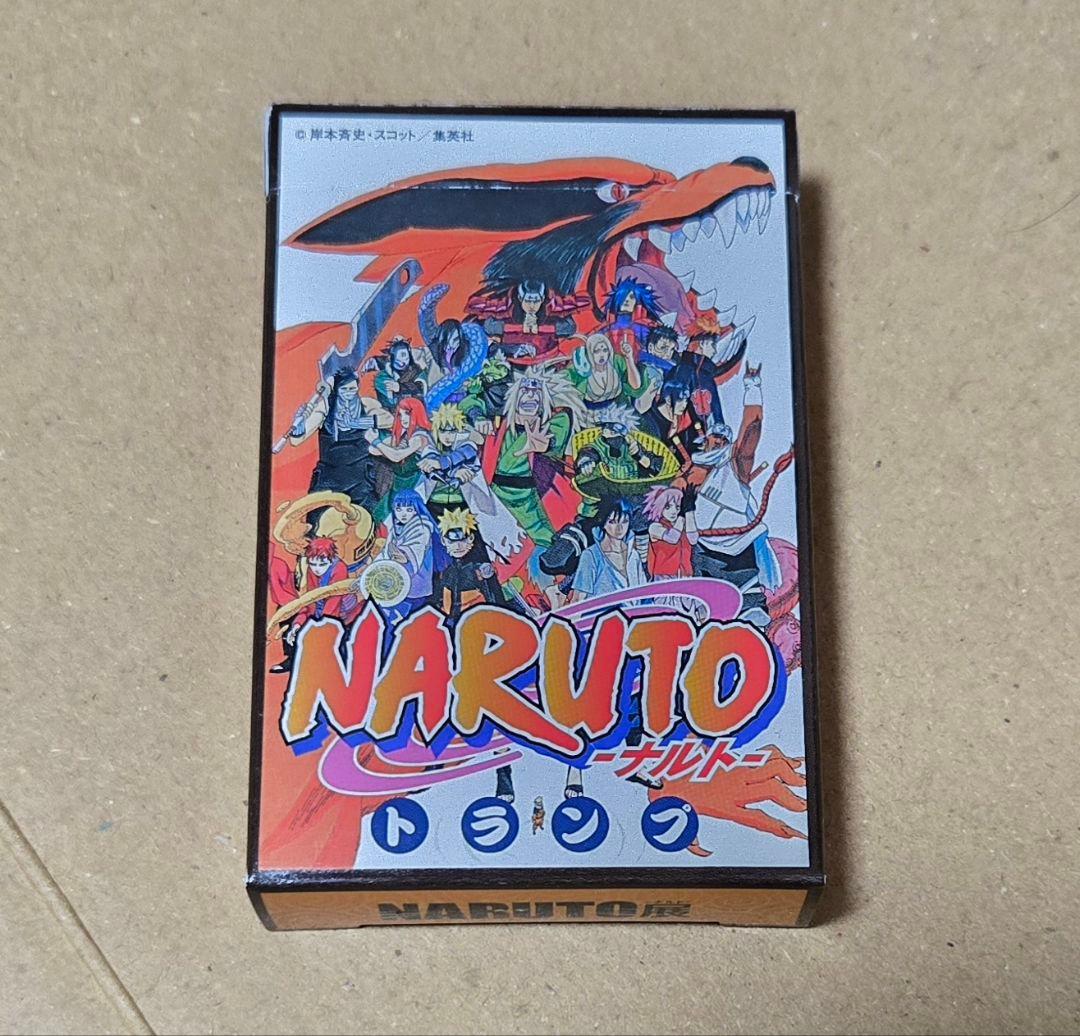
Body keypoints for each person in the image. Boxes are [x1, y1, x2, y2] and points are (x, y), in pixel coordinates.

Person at [287, 369, 393, 516]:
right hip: (329, 478)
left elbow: (389, 420)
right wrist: (299, 428)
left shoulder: (366, 404)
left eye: (352, 388)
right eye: (344, 389)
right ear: (337, 390)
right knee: (316, 519)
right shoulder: (325, 408)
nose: (349, 393)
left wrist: (357, 422)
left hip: (360, 476)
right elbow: (295, 440)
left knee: (366, 518)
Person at [569, 497, 647, 602]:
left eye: (624, 521)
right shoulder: (591, 555)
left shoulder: (633, 555)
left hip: (632, 612)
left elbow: (643, 594)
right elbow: (578, 599)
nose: (619, 528)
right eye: (612, 522)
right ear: (603, 523)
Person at [367, 397, 432, 520]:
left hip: (413, 485)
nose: (403, 418)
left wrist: (376, 442)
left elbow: (396, 456)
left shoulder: (419, 436)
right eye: (400, 415)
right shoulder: (404, 435)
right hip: (398, 484)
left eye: (407, 414)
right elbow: (374, 450)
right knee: (379, 517)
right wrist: (379, 445)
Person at [382, 490, 437, 617]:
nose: (403, 514)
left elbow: (409, 554)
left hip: (417, 586)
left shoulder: (422, 527)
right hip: (398, 584)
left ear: (417, 510)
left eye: (409, 509)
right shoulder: (396, 527)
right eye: (399, 509)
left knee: (413, 619)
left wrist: (400, 554)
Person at [568, 331, 644, 410]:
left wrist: (629, 358)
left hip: (619, 409)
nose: (602, 355)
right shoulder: (583, 369)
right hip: (590, 413)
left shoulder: (616, 362)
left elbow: (636, 386)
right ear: (589, 353)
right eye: (596, 351)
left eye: (605, 350)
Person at [642, 485, 698, 579]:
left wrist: (689, 511)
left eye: (678, 507)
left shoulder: (682, 525)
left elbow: (693, 540)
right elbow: (672, 538)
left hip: (686, 574)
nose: (673, 511)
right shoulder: (655, 527)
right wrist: (681, 515)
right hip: (664, 576)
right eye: (667, 507)